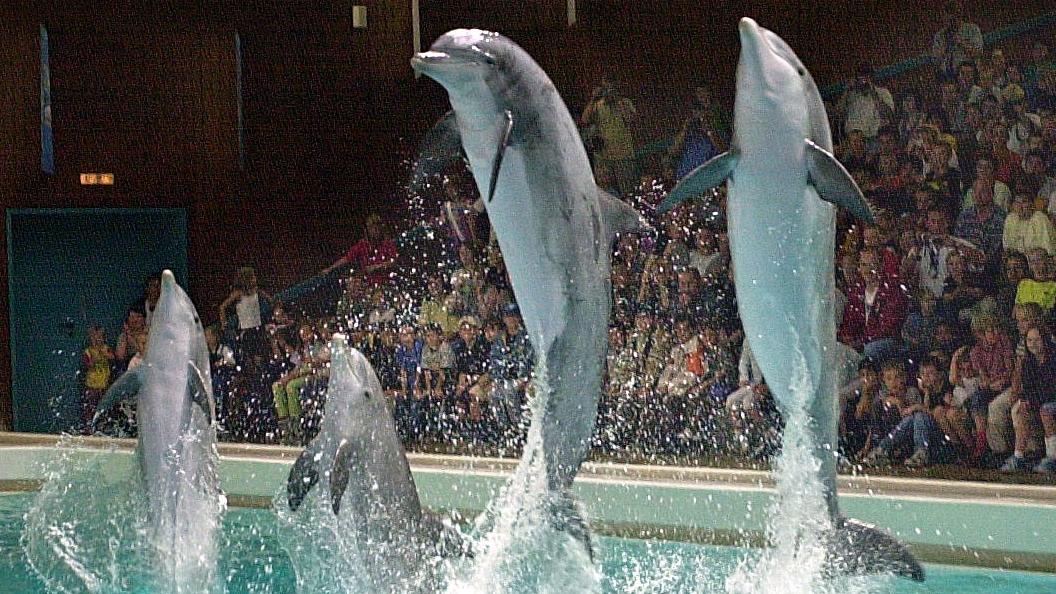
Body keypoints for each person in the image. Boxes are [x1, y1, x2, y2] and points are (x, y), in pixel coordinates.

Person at [839, 247, 908, 362]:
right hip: (862, 342)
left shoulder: (892, 290)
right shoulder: (856, 291)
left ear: (880, 266)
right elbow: (850, 321)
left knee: (871, 350)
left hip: (888, 342)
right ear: (859, 268)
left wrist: (861, 341)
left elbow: (888, 327)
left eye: (872, 265)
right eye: (864, 265)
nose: (868, 270)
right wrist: (846, 338)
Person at [1000, 326, 1054, 471]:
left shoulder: (1053, 359)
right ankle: (1018, 456)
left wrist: (1033, 400)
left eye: (1037, 340)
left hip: (1050, 401)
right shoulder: (1028, 362)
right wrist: (1025, 400)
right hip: (1039, 400)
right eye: (1029, 340)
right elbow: (1028, 388)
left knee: (1046, 410)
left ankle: (1052, 457)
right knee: (1021, 409)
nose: (1033, 343)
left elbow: (1051, 389)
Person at [580, 77, 639, 196]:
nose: (607, 91)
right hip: (603, 157)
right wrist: (593, 98)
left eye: (610, 87)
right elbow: (584, 120)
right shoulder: (597, 105)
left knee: (628, 192)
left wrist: (617, 100)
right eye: (605, 88)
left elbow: (631, 119)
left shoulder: (625, 103)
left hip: (623, 156)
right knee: (604, 193)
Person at [218, 266, 274, 372]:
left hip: (258, 328)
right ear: (246, 279)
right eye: (252, 277)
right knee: (249, 360)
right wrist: (223, 323)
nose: (255, 279)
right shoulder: (238, 294)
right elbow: (222, 307)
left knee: (262, 357)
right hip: (246, 331)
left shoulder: (257, 291)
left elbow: (270, 300)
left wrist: (273, 307)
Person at [668, 85, 729, 181]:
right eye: (698, 94)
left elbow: (724, 153)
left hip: (704, 177)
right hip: (684, 178)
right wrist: (685, 126)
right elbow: (673, 151)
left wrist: (709, 131)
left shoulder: (719, 125)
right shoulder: (691, 130)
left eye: (704, 92)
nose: (701, 96)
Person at [322, 213, 399, 288]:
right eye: (372, 228)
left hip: (384, 283)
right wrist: (330, 269)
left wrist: (376, 267)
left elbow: (393, 262)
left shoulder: (388, 244)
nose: (375, 231)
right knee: (351, 285)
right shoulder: (362, 245)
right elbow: (346, 258)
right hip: (368, 283)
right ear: (368, 230)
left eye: (377, 227)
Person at [837, 62, 895, 144]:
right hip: (852, 140)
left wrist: (872, 91)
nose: (863, 81)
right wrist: (847, 90)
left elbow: (888, 114)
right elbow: (838, 112)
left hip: (873, 138)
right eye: (860, 78)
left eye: (866, 77)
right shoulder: (852, 95)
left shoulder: (883, 92)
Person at [930, 1, 983, 79]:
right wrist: (944, 49)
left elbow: (979, 52)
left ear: (960, 15)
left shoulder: (972, 29)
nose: (951, 21)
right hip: (947, 77)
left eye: (954, 17)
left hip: (969, 75)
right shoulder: (940, 35)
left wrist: (961, 43)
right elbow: (935, 60)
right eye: (948, 17)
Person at [1003, 192, 1056, 256]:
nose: (1020, 206)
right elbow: (1007, 246)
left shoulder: (1040, 218)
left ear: (1031, 204)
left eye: (1024, 202)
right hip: (1017, 260)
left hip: (1037, 261)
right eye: (1017, 202)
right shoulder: (1010, 219)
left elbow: (1047, 250)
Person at [81, 325, 114, 429]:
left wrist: (104, 353)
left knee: (104, 407)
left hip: (104, 384)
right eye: (94, 337)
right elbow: (88, 365)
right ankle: (89, 427)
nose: (97, 339)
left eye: (100, 337)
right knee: (90, 407)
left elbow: (113, 357)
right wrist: (94, 359)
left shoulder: (106, 348)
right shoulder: (88, 351)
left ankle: (104, 426)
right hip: (92, 385)